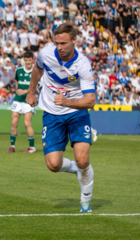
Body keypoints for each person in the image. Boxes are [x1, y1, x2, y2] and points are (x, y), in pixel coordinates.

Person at [26, 23, 95, 213]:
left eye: (63, 43)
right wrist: (31, 92)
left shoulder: (82, 64)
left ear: (74, 40)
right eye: (56, 43)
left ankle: (85, 201)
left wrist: (67, 102)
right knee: (53, 165)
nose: (59, 47)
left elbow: (90, 100)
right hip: (51, 113)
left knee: (82, 159)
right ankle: (80, 170)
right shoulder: (45, 54)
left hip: (76, 113)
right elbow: (37, 70)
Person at [7, 51, 36, 153]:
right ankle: (12, 146)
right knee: (14, 122)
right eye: (26, 60)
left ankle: (32, 148)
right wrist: (17, 91)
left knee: (27, 123)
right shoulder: (19, 71)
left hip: (28, 101)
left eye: (30, 60)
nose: (28, 62)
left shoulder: (35, 72)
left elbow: (36, 87)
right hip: (18, 100)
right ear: (24, 60)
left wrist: (25, 91)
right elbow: (17, 83)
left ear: (33, 60)